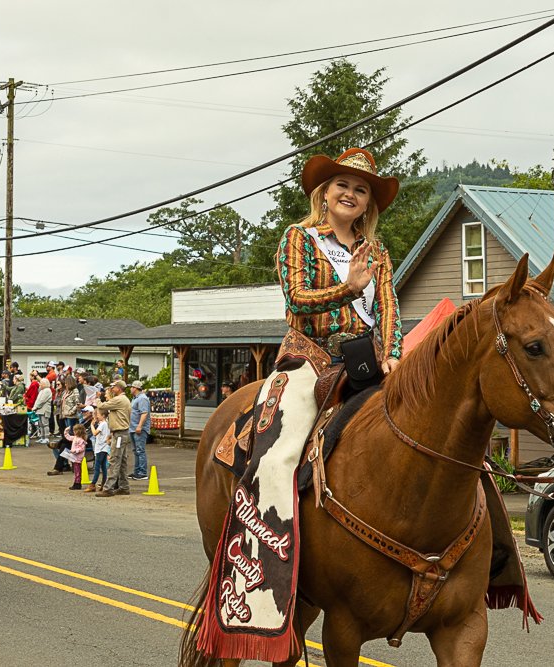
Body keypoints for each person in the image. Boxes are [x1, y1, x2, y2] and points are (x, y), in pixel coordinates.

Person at [196, 148, 403, 659]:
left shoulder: (377, 253)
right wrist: (345, 287)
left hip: (369, 363)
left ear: (368, 203)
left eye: (361, 189)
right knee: (279, 453)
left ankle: (491, 564)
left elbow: (391, 307)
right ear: (324, 194)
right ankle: (261, 577)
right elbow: (295, 299)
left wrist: (395, 355)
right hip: (310, 360)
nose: (351, 194)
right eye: (342, 186)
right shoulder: (299, 237)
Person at [95, 380, 131, 497]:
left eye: (113, 387)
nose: (111, 389)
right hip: (121, 432)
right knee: (122, 461)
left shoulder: (119, 399)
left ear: (119, 388)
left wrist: (97, 399)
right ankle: (124, 487)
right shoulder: (123, 399)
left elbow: (102, 406)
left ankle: (108, 488)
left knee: (114, 460)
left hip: (120, 434)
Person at [127, 380, 151, 481]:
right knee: (136, 451)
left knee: (140, 450)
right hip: (133, 428)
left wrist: (140, 426)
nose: (130, 389)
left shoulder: (142, 399)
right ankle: (137, 471)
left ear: (136, 388)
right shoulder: (135, 398)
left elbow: (144, 413)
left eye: (131, 387)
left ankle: (142, 472)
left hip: (139, 429)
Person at [85, 406, 109, 492]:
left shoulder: (102, 424)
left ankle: (93, 484)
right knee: (103, 467)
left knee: (97, 466)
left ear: (103, 415)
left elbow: (95, 433)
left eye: (98, 414)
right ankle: (104, 483)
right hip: (104, 447)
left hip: (100, 448)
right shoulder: (106, 423)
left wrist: (92, 425)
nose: (96, 416)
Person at [63, 423, 88, 490]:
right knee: (76, 470)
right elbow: (68, 437)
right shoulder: (75, 438)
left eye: (74, 430)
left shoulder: (81, 440)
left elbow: (81, 448)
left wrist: (75, 451)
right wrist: (66, 431)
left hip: (78, 458)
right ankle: (76, 482)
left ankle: (77, 483)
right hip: (74, 457)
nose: (73, 432)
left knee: (77, 471)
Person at [31, 377, 52, 445]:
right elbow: (38, 400)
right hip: (39, 410)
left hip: (44, 410)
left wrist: (35, 407)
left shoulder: (47, 390)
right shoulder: (42, 390)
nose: (39, 385)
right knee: (41, 424)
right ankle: (42, 437)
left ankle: (46, 438)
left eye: (41, 383)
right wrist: (35, 407)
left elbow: (42, 400)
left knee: (45, 424)